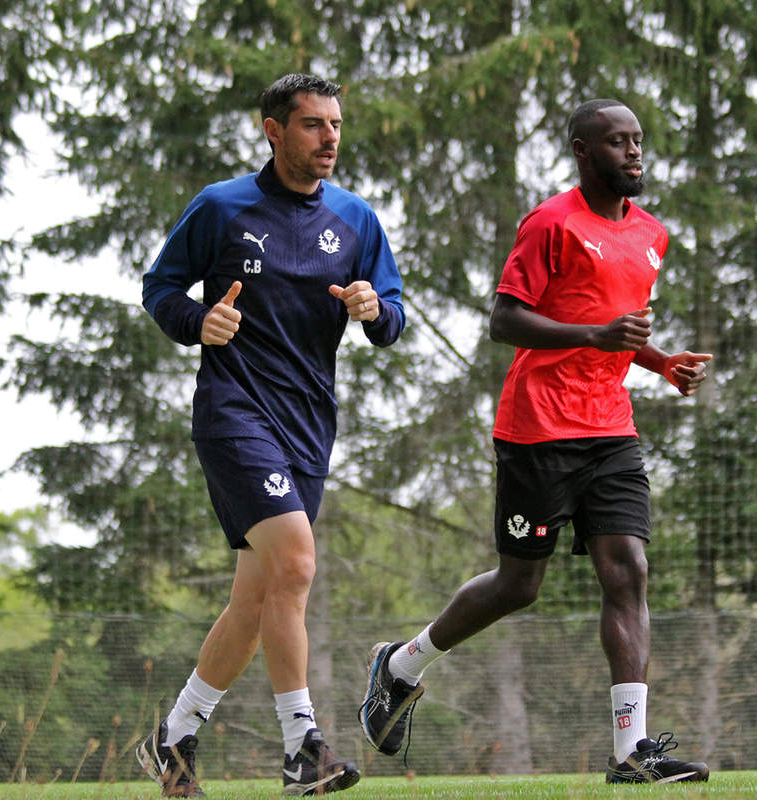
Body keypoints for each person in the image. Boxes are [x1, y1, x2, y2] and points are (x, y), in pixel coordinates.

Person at [359, 99, 711, 784]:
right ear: (583, 151)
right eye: (617, 142)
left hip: (611, 427)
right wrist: (595, 338)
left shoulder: (651, 236)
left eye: (638, 141)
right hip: (538, 428)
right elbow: (505, 320)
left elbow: (612, 326)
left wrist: (661, 361)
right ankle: (400, 666)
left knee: (628, 570)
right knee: (520, 585)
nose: (634, 153)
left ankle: (630, 752)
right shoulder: (550, 224)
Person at [137, 73, 405, 798]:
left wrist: (373, 307)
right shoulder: (222, 207)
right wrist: (200, 321)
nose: (330, 139)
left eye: (337, 125)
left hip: (309, 425)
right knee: (296, 564)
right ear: (272, 130)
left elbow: (393, 319)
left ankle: (177, 735)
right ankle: (302, 749)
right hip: (233, 413)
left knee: (260, 601)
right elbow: (160, 288)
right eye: (314, 125)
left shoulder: (357, 219)